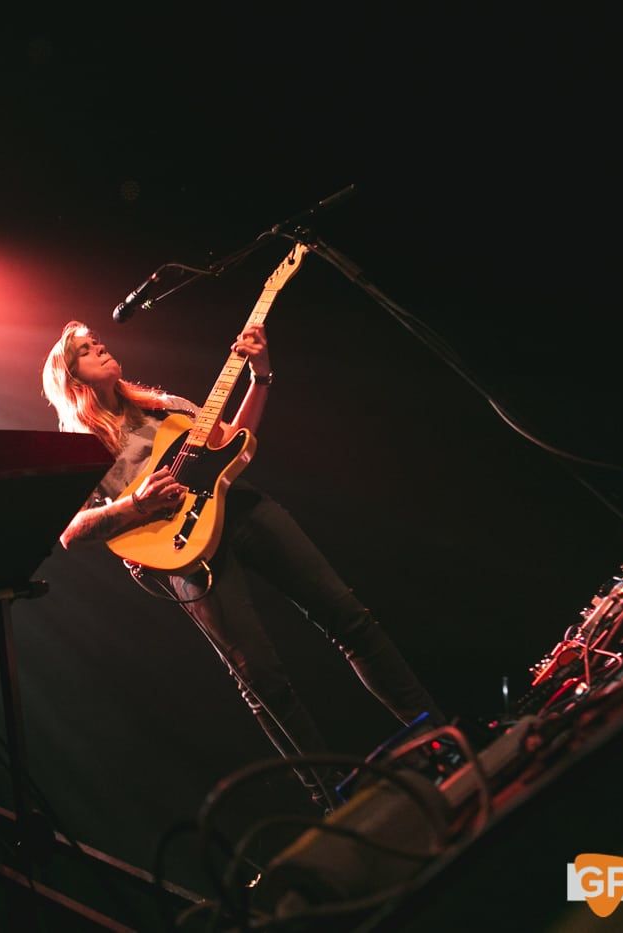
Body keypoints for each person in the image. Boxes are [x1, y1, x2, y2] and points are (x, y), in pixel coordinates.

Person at [42, 320, 442, 807]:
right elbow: (69, 531)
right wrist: (135, 507)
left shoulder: (162, 406)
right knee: (262, 680)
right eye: (86, 349)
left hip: (244, 512)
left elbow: (236, 441)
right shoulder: (80, 446)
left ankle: (442, 739)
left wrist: (260, 375)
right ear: (73, 378)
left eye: (97, 340)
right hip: (185, 555)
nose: (100, 347)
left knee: (348, 617)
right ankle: (338, 807)